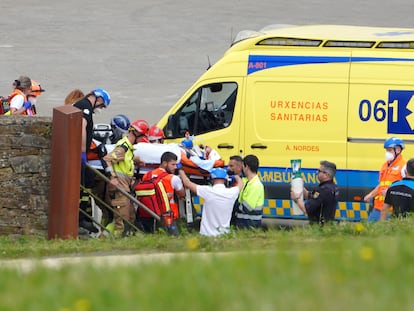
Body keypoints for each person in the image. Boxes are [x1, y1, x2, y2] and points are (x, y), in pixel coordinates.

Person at [73, 88, 111, 233]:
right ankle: (81, 220)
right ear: (99, 99)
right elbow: (82, 128)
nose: (100, 109)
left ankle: (84, 218)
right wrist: (83, 152)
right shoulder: (85, 107)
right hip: (79, 154)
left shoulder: (82, 105)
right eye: (102, 106)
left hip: (80, 154)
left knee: (87, 180)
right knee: (81, 185)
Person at [103, 119, 149, 236]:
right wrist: (112, 177)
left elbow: (125, 159)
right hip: (120, 188)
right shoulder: (123, 147)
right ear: (137, 134)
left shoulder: (129, 148)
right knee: (121, 222)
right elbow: (107, 159)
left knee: (130, 217)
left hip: (125, 188)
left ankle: (111, 238)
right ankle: (113, 244)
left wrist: (136, 160)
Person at [179, 167, 243, 236]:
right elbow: (241, 184)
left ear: (211, 180)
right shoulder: (232, 192)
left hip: (206, 234)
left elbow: (187, 183)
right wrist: (236, 177)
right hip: (224, 235)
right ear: (225, 180)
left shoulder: (207, 191)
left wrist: (180, 170)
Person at [138, 151, 185, 233]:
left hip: (147, 213)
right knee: (173, 239)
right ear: (164, 163)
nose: (175, 167)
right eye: (173, 164)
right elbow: (182, 194)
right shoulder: (173, 178)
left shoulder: (147, 175)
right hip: (167, 214)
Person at [364, 137, 406, 222]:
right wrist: (371, 195)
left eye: (389, 150)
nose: (387, 153)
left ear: (398, 150)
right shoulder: (385, 166)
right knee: (370, 230)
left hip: (391, 209)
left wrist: (391, 192)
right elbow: (381, 184)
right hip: (378, 208)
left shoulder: (403, 166)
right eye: (386, 150)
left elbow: (405, 188)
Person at [291, 160, 339, 225]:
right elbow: (310, 196)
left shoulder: (323, 190)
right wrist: (299, 185)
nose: (317, 173)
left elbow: (306, 209)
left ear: (326, 175)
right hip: (327, 225)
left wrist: (296, 199)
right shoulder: (332, 187)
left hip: (319, 227)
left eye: (319, 171)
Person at [235, 154, 265, 229]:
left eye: (243, 166)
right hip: (243, 223)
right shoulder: (246, 181)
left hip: (250, 225)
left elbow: (247, 208)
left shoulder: (256, 185)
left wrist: (232, 205)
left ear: (247, 167)